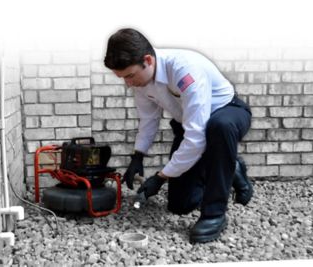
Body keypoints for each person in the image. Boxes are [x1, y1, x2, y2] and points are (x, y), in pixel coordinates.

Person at [104, 28, 253, 243]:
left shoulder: (184, 69)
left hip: (227, 113)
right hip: (191, 125)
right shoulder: (141, 81)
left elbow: (195, 138)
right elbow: (148, 120)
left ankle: (215, 214)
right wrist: (138, 155)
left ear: (148, 60)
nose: (128, 83)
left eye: (130, 76)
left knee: (218, 128)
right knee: (180, 205)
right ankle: (231, 167)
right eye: (122, 78)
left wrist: (161, 176)